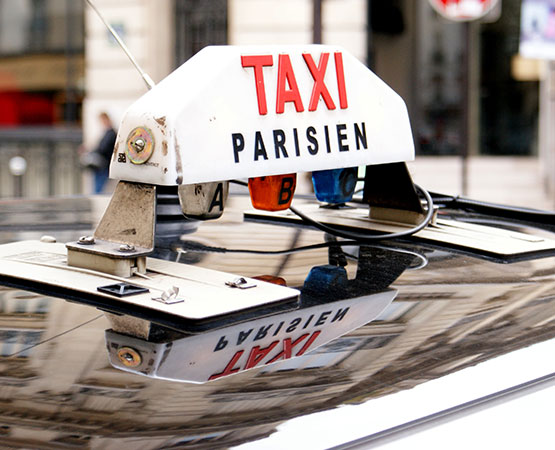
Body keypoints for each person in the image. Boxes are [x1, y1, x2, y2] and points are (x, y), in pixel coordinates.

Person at [82, 112, 117, 193]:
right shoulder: (107, 133)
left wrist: (91, 151)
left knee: (98, 189)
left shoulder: (110, 133)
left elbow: (103, 148)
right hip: (103, 164)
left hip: (104, 164)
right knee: (97, 187)